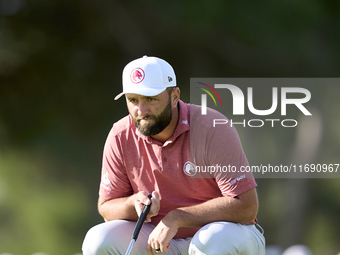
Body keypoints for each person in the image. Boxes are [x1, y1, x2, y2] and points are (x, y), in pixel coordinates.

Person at [82, 56, 265, 255]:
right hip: (159, 243)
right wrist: (132, 203)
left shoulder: (212, 126)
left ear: (175, 95)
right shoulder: (120, 134)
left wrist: (177, 217)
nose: (141, 110)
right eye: (133, 100)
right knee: (98, 239)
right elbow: (106, 207)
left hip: (225, 237)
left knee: (214, 240)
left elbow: (246, 207)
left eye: (151, 99)